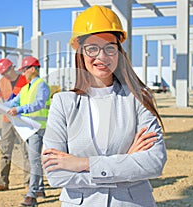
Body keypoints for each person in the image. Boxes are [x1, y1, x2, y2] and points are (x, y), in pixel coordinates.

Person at [42, 5, 167, 207]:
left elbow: (154, 162)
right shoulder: (63, 103)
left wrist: (83, 164)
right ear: (80, 53)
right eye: (92, 48)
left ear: (119, 52)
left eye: (110, 47)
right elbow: (56, 175)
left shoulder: (138, 98)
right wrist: (126, 162)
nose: (101, 56)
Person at [5, 56, 51, 207]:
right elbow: (13, 102)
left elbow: (38, 104)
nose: (23, 73)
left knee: (34, 161)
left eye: (24, 70)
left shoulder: (41, 85)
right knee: (34, 160)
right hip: (28, 129)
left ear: (33, 69)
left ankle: (32, 195)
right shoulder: (25, 88)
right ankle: (39, 189)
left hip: (38, 127)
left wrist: (19, 110)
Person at [0, 58, 29, 192]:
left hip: (22, 121)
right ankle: (3, 182)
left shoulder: (25, 80)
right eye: (3, 73)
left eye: (6, 71)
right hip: (7, 121)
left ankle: (28, 183)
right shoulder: (2, 82)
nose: (5, 75)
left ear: (12, 68)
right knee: (5, 152)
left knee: (26, 152)